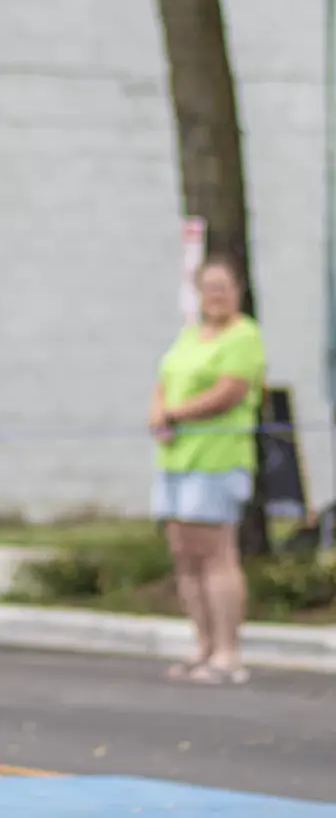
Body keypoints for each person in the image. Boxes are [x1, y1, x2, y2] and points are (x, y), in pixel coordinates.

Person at [149, 255, 266, 685]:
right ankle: (201, 643)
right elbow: (162, 382)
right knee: (184, 552)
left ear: (237, 291)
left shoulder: (244, 337)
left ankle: (228, 652)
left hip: (217, 459)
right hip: (176, 459)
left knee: (216, 552)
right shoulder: (189, 337)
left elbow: (228, 392)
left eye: (224, 287)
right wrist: (158, 413)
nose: (216, 295)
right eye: (208, 287)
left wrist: (176, 413)